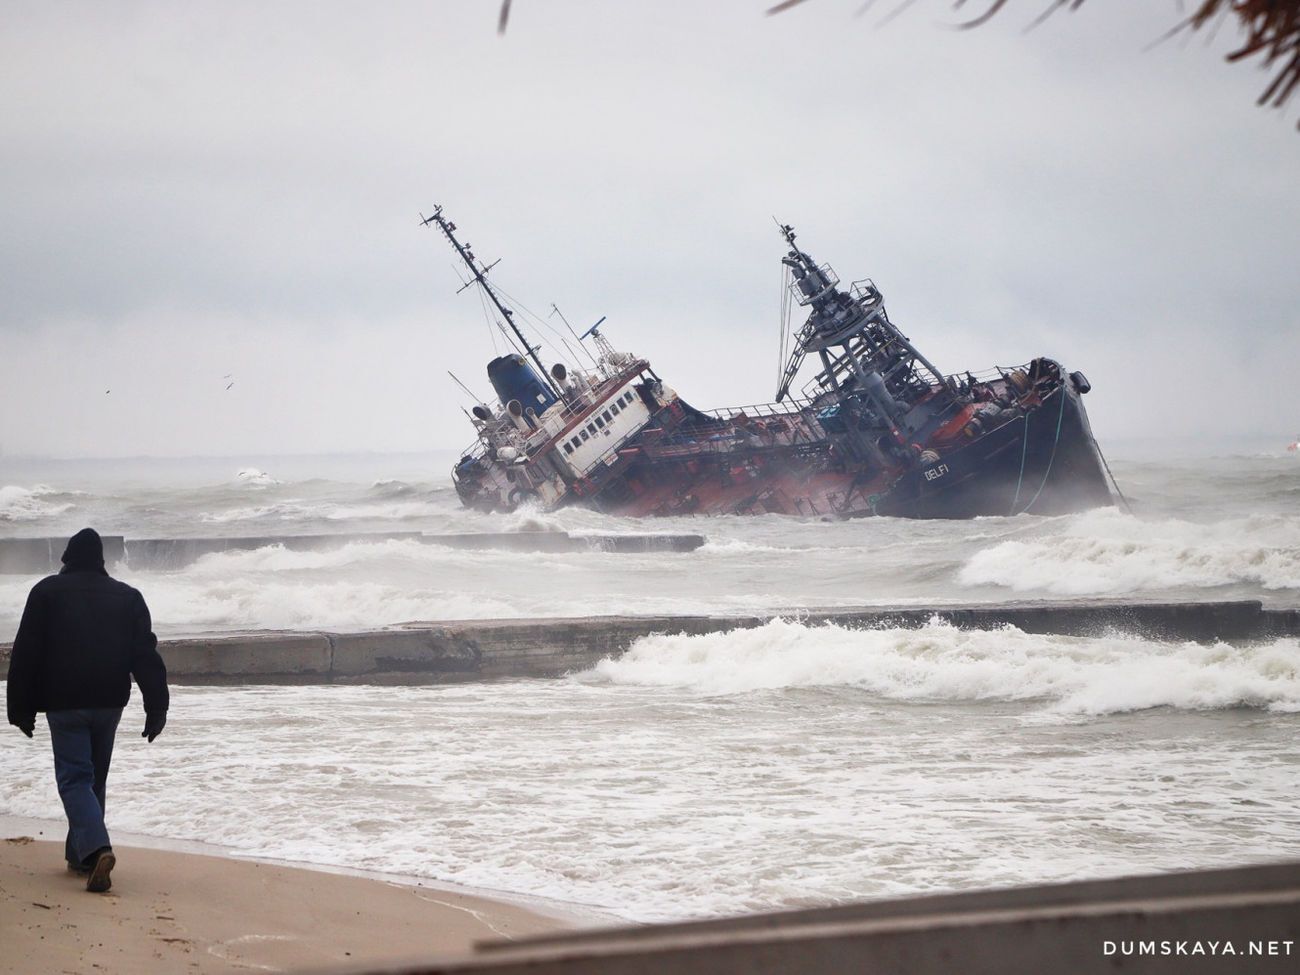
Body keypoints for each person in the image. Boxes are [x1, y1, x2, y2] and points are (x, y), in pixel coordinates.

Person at [6, 528, 169, 893]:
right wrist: (156, 706)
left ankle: (96, 849)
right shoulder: (128, 597)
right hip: (109, 702)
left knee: (74, 778)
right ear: (102, 561)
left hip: (63, 703)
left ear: (66, 559)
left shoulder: (45, 592)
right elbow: (145, 656)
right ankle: (80, 857)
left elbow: (26, 654)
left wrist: (20, 707)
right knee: (92, 779)